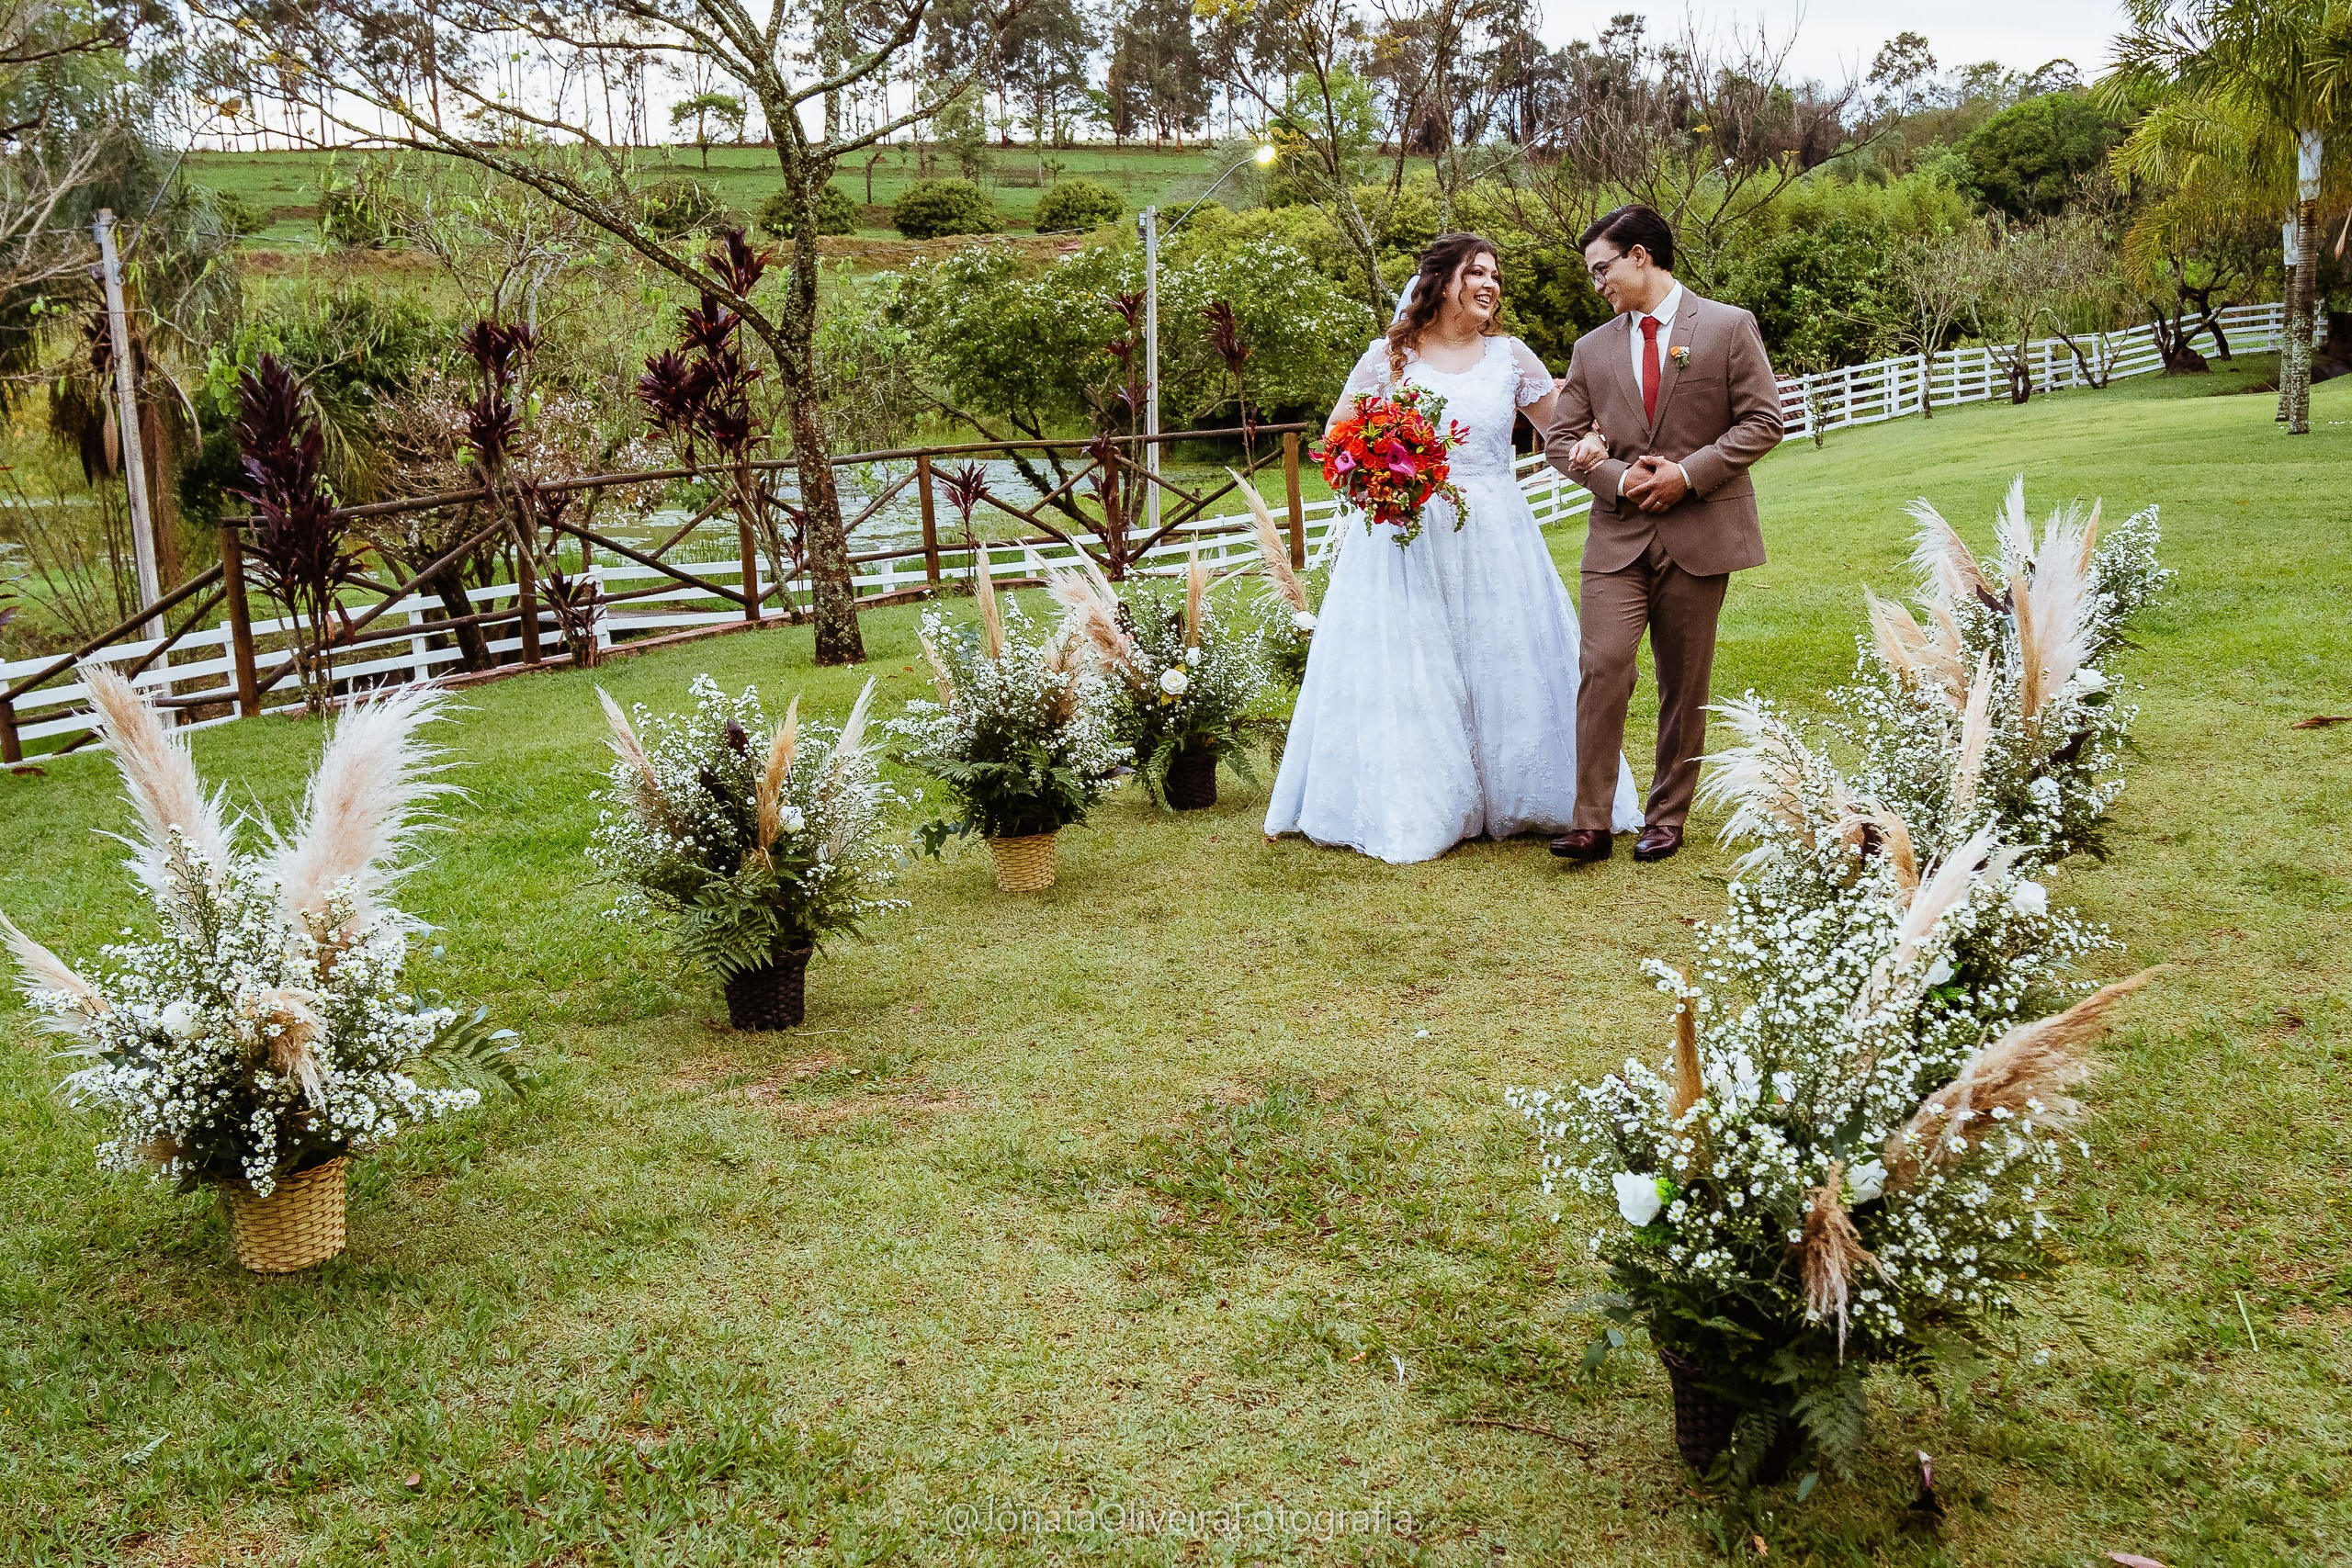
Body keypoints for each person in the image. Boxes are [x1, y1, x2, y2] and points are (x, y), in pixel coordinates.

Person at [1264, 232, 1640, 863]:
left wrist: (1611, 463)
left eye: (1495, 274)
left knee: (1506, 656)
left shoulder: (1510, 357)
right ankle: (1422, 804)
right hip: (1403, 532)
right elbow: (1337, 437)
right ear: (1440, 281)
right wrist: (1379, 463)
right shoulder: (1390, 357)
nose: (1490, 284)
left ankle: (1525, 794)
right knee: (1415, 665)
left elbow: (1564, 432)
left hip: (1494, 529)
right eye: (1477, 272)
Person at [1542, 205, 1785, 865]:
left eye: (1602, 268)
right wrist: (1619, 479)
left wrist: (1687, 473)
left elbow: (1764, 420)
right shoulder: (1592, 349)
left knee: (1685, 681)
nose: (1597, 284)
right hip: (1616, 538)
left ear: (1641, 256)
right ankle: (1590, 821)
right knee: (1604, 665)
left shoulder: (1729, 328)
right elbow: (1559, 442)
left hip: (1699, 531)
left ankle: (1666, 817)